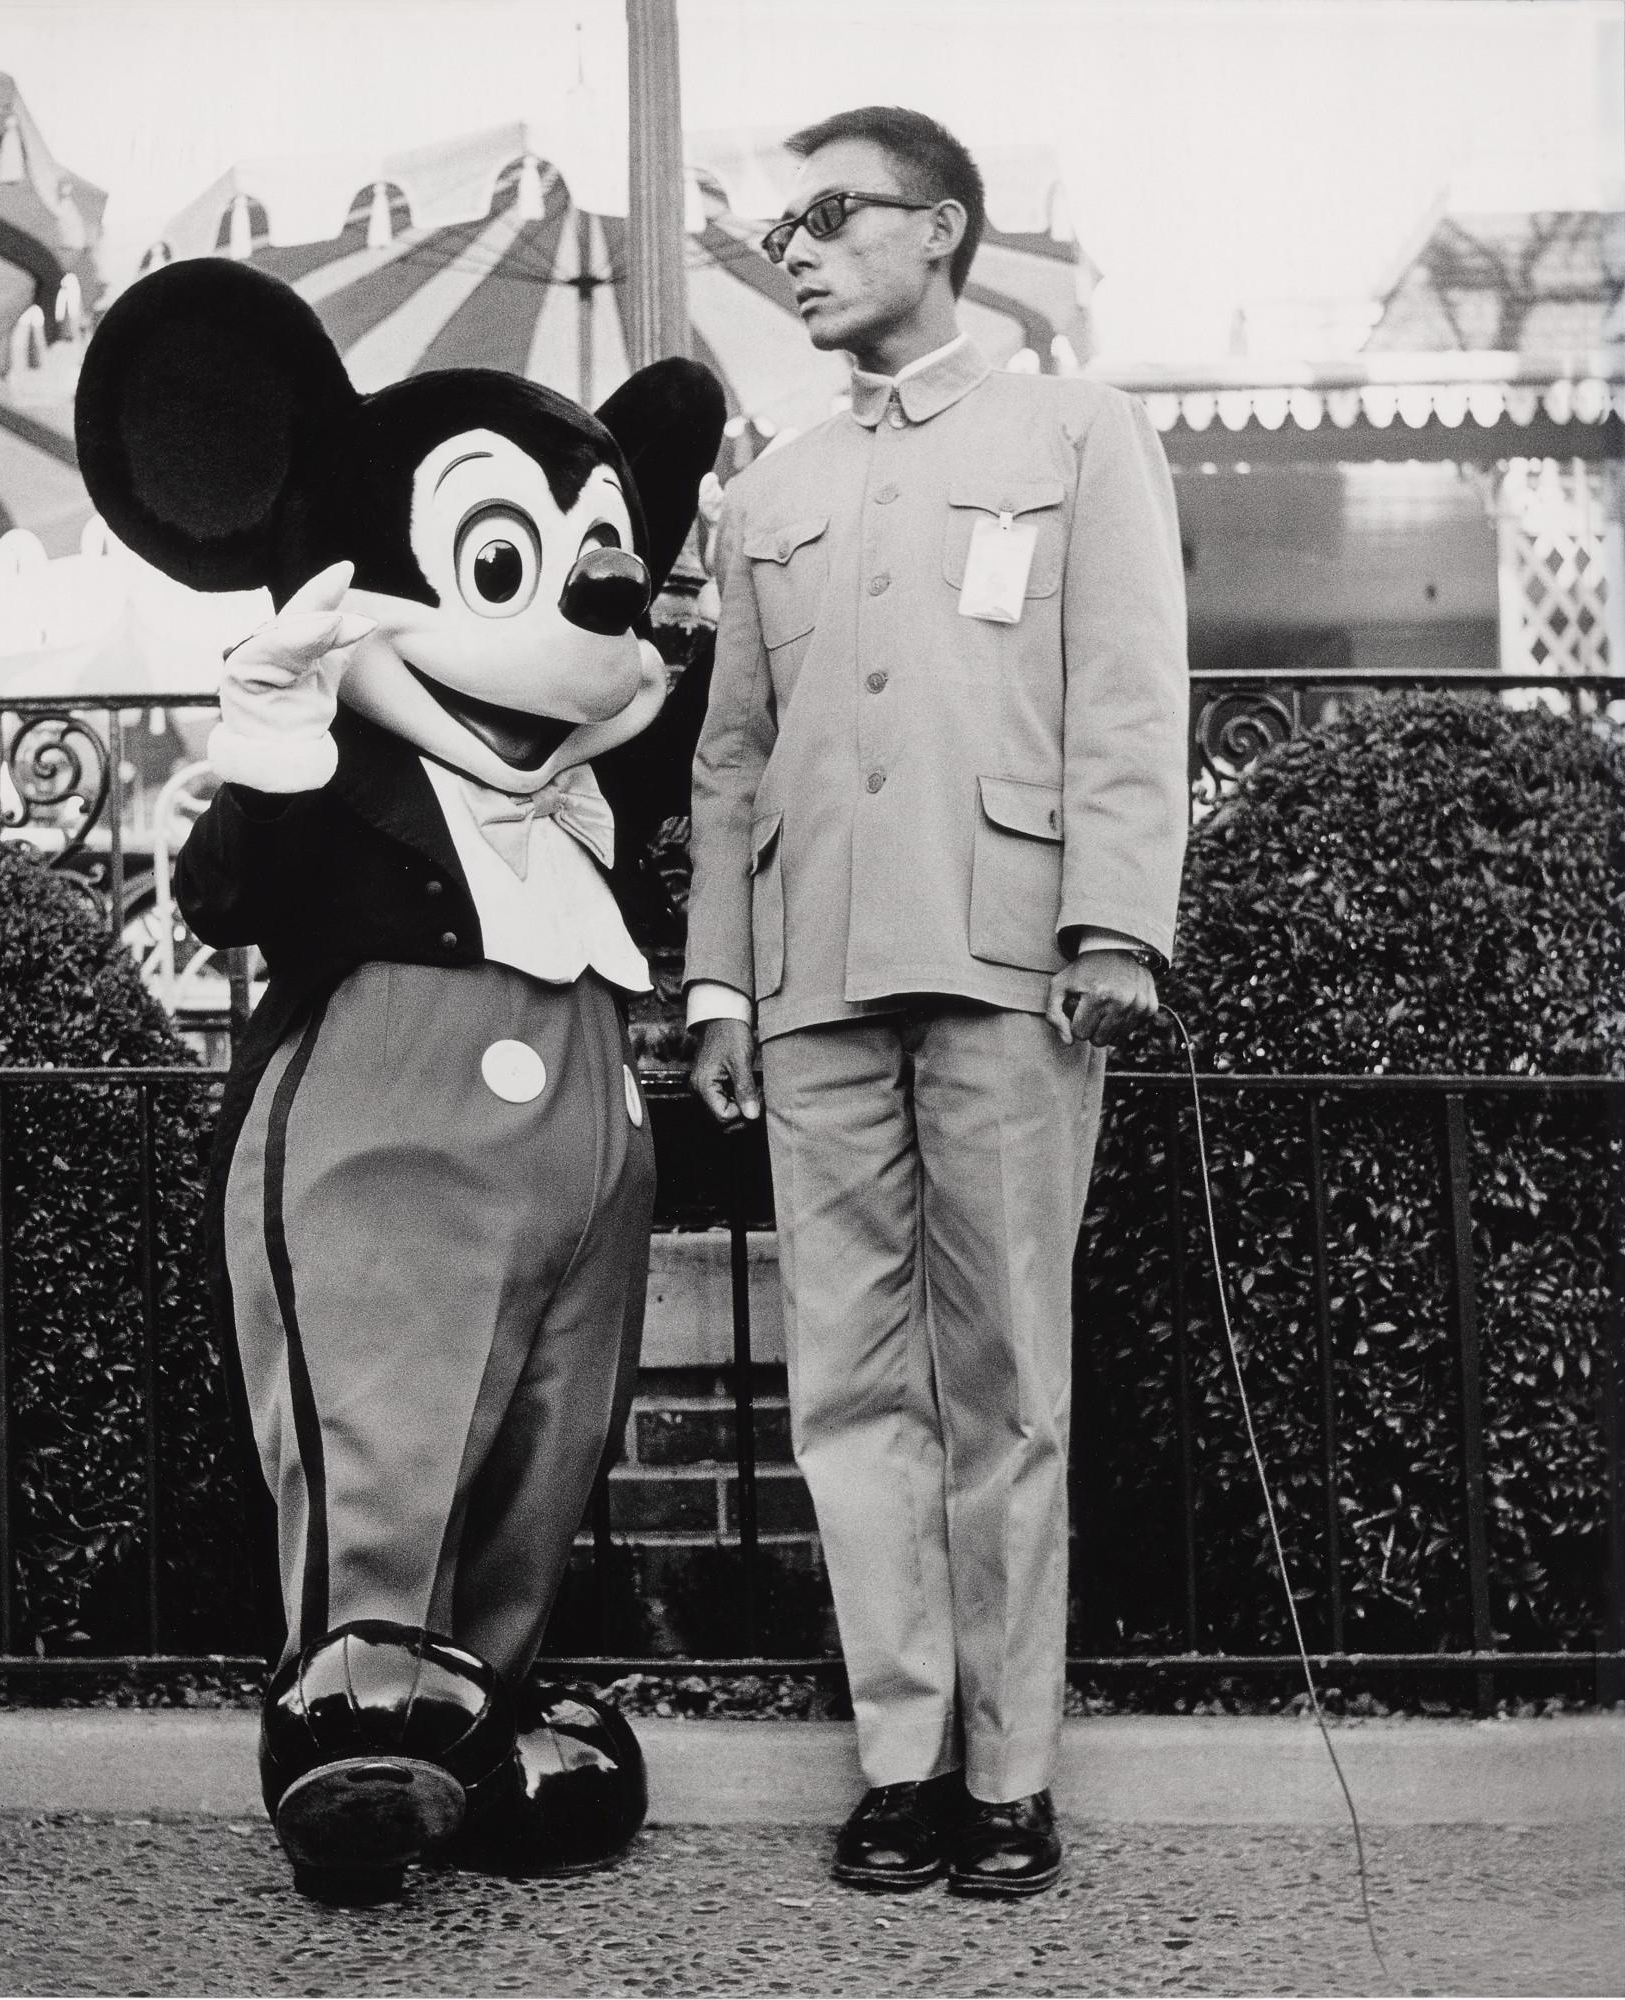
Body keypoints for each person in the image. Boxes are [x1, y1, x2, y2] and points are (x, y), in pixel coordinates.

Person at [685, 106, 1189, 1898]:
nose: (795, 249)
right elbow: (730, 759)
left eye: (833, 214)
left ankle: (1011, 1774)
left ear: (946, 229)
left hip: (1009, 969)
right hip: (816, 985)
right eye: (781, 225)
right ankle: (899, 1760)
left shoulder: (1075, 429)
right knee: (846, 1393)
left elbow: (1128, 691)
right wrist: (723, 980)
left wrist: (1117, 925)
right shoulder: (771, 486)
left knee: (1008, 1387)